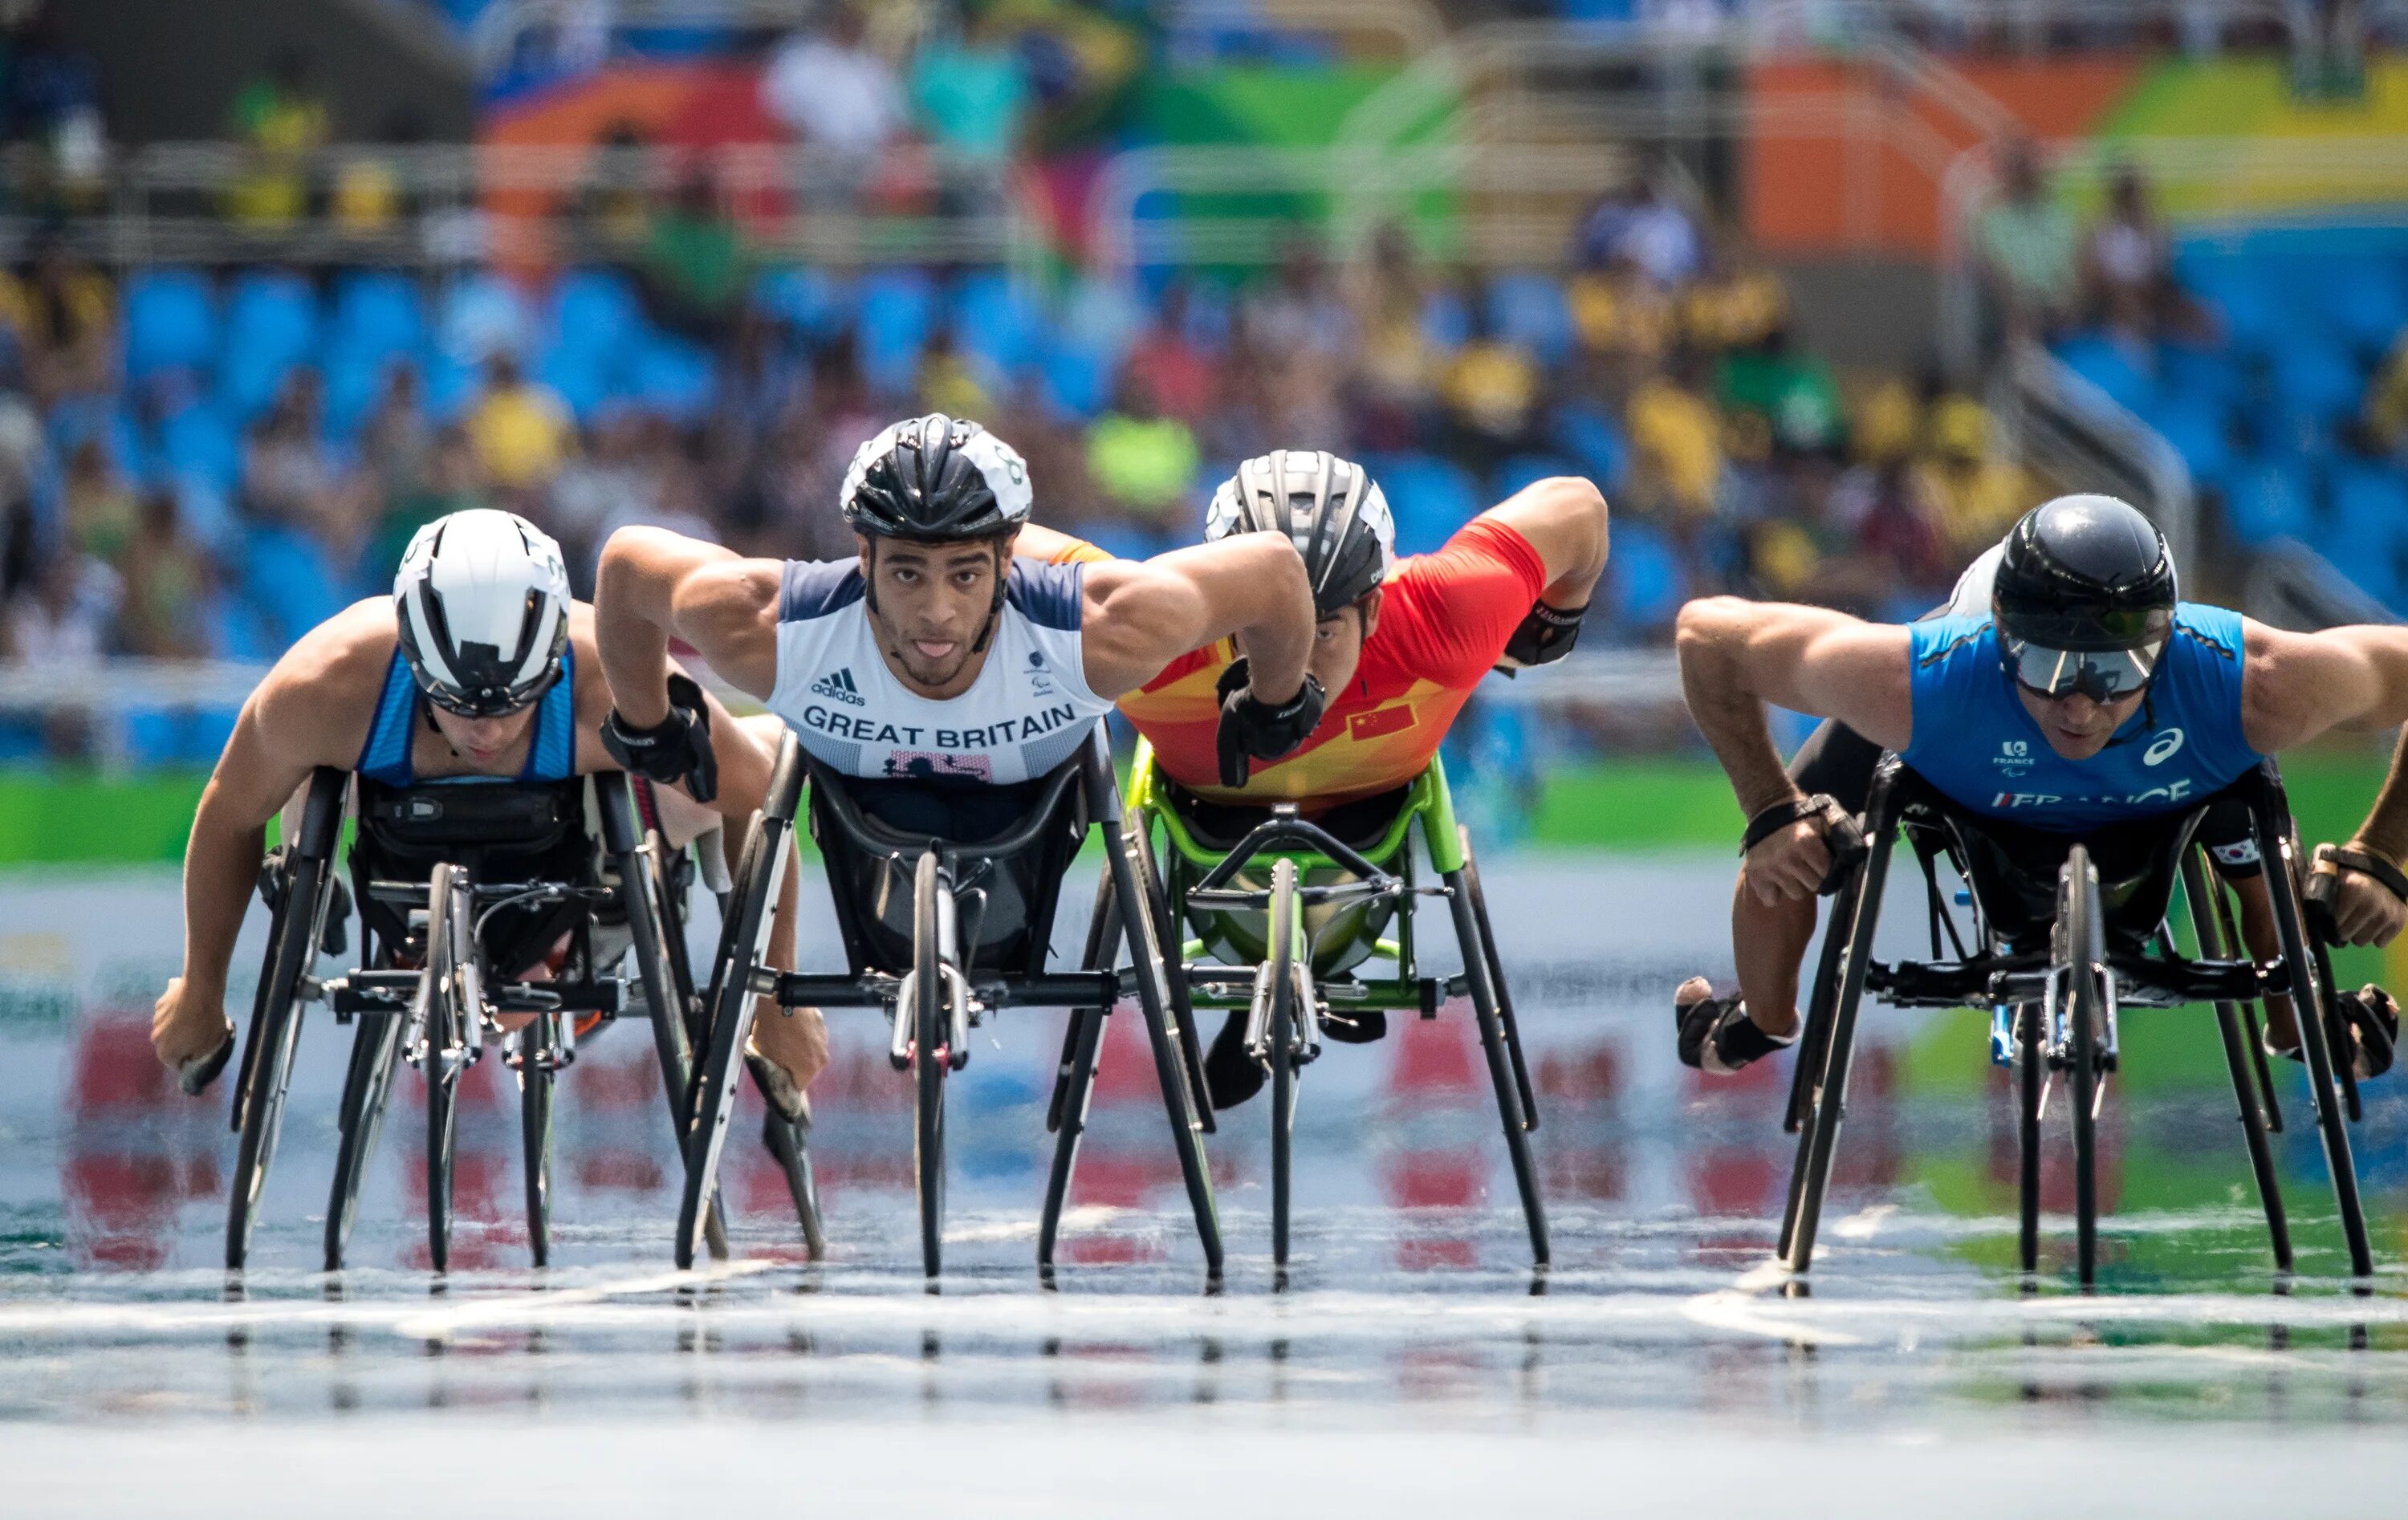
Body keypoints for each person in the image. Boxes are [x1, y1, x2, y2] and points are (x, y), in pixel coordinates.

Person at [1672, 494, 2403, 1083]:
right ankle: (1761, 1019)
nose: (2079, 708)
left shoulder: (2251, 683)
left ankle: (2301, 1026)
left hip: (2178, 771)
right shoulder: (1920, 678)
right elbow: (1707, 635)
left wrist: (2383, 855)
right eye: (2048, 672)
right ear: (1999, 640)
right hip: (1960, 754)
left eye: (2112, 676)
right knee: (1782, 859)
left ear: (2164, 647)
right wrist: (1770, 811)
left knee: (2260, 848)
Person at [150, 510, 824, 1118]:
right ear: (414, 660)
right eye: (459, 706)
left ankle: (611, 911)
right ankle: (319, 884)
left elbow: (760, 797)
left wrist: (775, 997)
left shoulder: (605, 676)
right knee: (291, 777)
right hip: (395, 856)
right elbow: (229, 812)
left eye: (513, 705)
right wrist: (200, 993)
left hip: (582, 866)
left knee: (737, 760)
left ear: (553, 662)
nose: (487, 734)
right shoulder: (327, 682)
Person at [1015, 451, 1610, 1107]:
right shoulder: (1154, 619)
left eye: (1321, 630)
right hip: (1220, 855)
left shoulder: (1445, 611)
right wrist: (1550, 627)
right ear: (1217, 595)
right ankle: (1320, 965)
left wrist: (1542, 625)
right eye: (1259, 627)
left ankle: (1309, 969)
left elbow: (1582, 504)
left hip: (1363, 855)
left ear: (1375, 611)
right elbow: (974, 535)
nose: (1294, 661)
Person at [590, 409, 1323, 900]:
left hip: (1033, 826)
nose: (936, 613)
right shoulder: (772, 625)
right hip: (860, 822)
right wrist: (647, 723)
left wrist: (1276, 701)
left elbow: (1275, 570)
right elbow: (624, 568)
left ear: (1010, 557)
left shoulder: (1102, 628)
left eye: (964, 574)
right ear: (863, 553)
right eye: (907, 572)